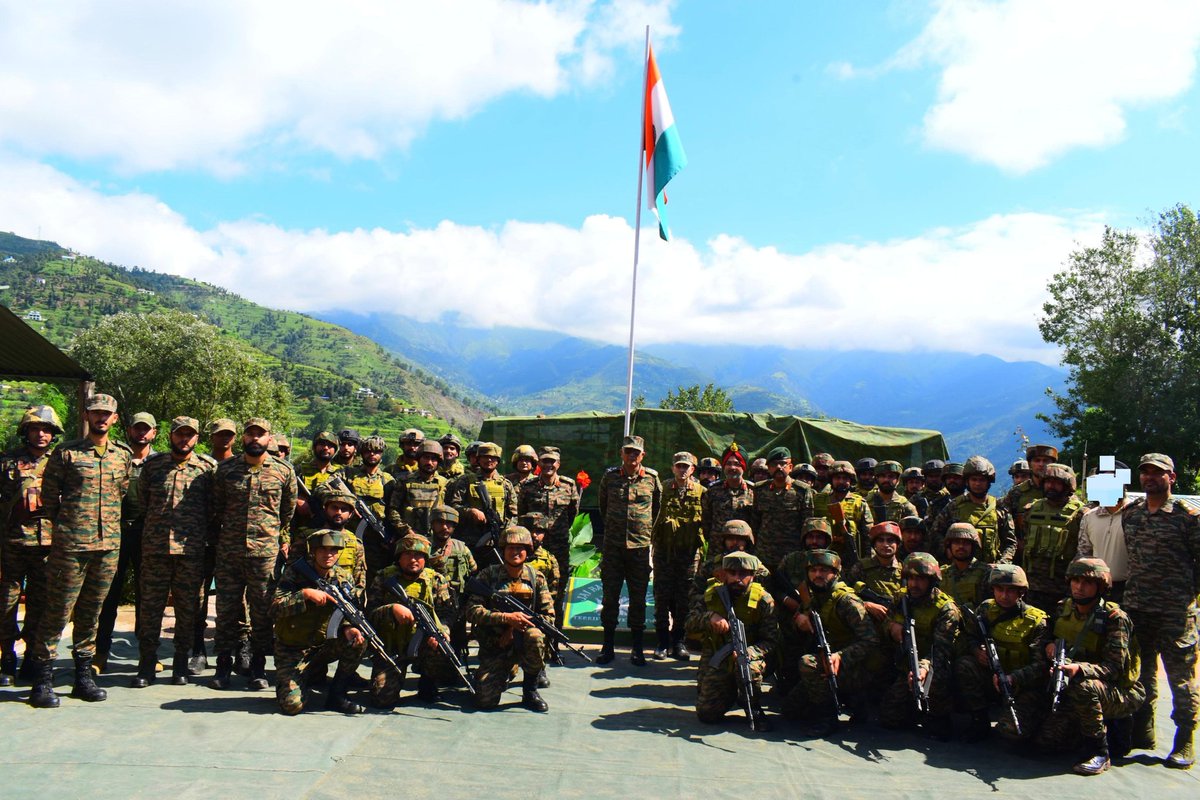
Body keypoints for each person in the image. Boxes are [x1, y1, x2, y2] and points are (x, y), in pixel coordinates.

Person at [28, 393, 132, 708]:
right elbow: (49, 499)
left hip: (107, 547)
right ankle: (42, 680)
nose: (101, 418)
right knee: (57, 611)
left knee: (91, 613)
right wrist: (61, 534)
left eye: (107, 414)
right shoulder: (66, 454)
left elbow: (122, 491)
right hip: (71, 548)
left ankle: (83, 678)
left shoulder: (121, 455)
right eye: (96, 413)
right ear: (86, 416)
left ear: (114, 419)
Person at [1034, 558, 1145, 776]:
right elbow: (1043, 639)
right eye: (1075, 580)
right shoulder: (1062, 608)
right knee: (1046, 743)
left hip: (1120, 691)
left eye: (1087, 582)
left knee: (1084, 688)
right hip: (1072, 687)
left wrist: (1078, 669)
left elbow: (1114, 668)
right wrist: (1048, 646)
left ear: (1101, 587)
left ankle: (1100, 751)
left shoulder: (1115, 619)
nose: (1079, 587)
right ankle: (1086, 731)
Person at [210, 417, 297, 692]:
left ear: (269, 439)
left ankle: (258, 668)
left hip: (264, 555)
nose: (255, 439)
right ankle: (223, 665)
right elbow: (217, 508)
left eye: (261, 435)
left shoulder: (283, 472)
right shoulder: (225, 471)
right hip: (230, 553)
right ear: (243, 438)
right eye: (250, 434)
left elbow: (287, 513)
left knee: (261, 614)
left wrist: (277, 539)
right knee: (226, 611)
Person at [1123, 453, 1199, 769]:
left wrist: (1184, 594)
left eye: (1158, 473)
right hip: (1139, 608)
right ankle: (1144, 733)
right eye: (1146, 473)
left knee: (1181, 677)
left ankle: (1185, 740)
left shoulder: (1188, 517)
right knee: (1141, 674)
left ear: (1172, 477)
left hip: (1175, 612)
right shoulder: (1132, 514)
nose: (1150, 478)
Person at [132, 416, 216, 687]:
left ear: (197, 439)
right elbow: (143, 502)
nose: (184, 439)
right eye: (180, 434)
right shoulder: (154, 467)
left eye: (190, 435)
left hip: (191, 551)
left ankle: (180, 662)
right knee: (150, 609)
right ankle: (146, 664)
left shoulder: (207, 469)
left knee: (188, 609)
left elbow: (214, 506)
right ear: (170, 436)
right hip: (155, 550)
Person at [780, 550, 879, 736]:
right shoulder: (814, 597)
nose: (818, 575)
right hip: (827, 664)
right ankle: (848, 699)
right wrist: (800, 621)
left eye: (824, 570)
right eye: (814, 570)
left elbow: (870, 640)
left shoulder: (847, 601)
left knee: (808, 664)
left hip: (855, 668)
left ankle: (827, 717)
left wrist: (840, 657)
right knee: (790, 710)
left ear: (835, 573)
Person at [0, 405, 64, 686]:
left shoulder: (61, 461)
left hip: (48, 544)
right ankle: (6, 658)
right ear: (25, 431)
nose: (41, 434)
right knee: (6, 602)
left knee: (40, 604)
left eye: (46, 430)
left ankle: (31, 659)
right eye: (36, 429)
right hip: (12, 541)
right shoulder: (7, 461)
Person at [270, 530, 366, 715]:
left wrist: (348, 627)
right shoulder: (295, 572)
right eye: (323, 549)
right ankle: (296, 680)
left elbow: (348, 609)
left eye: (333, 550)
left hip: (322, 647)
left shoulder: (343, 577)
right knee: (292, 706)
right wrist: (304, 595)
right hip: (293, 650)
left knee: (359, 640)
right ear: (313, 551)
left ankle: (337, 695)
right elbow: (274, 608)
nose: (328, 554)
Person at [954, 564, 1048, 742]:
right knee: (964, 665)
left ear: (1021, 592)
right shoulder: (985, 609)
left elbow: (1041, 666)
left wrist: (1014, 678)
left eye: (1011, 590)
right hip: (991, 676)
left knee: (1012, 733)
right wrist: (976, 651)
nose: (1004, 596)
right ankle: (979, 719)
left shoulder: (1036, 621)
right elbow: (970, 636)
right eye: (999, 589)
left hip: (1022, 685)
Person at [465, 526, 554, 711]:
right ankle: (502, 671)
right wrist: (505, 618)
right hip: (495, 646)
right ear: (503, 550)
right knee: (485, 701)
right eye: (510, 548)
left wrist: (515, 628)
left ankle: (530, 691)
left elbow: (548, 617)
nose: (515, 552)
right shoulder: (488, 575)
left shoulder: (536, 578)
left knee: (536, 636)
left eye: (520, 548)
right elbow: (472, 611)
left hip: (524, 643)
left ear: (527, 551)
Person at [685, 551, 778, 730]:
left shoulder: (764, 600)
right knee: (707, 714)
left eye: (743, 574)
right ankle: (728, 694)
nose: (737, 579)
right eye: (732, 573)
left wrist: (749, 653)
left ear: (753, 575)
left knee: (748, 668)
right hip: (718, 655)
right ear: (724, 574)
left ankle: (753, 705)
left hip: (751, 659)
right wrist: (709, 617)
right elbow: (689, 624)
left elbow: (771, 641)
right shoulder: (712, 595)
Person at [95, 410, 157, 674]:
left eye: (147, 429)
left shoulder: (160, 463)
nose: (141, 433)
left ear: (154, 433)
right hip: (115, 534)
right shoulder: (117, 458)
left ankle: (147, 655)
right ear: (129, 431)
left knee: (148, 598)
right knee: (107, 596)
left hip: (147, 536)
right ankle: (100, 653)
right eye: (137, 428)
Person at [367, 533, 456, 706]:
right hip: (391, 646)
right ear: (399, 558)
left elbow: (447, 612)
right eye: (407, 555)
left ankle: (428, 683)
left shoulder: (436, 580)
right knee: (382, 699)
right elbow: (369, 612)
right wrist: (391, 609)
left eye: (418, 555)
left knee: (443, 647)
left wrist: (444, 629)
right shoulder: (384, 577)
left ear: (425, 559)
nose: (413, 560)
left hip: (424, 643)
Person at [878, 553, 960, 738]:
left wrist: (923, 668)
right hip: (906, 664)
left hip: (935, 667)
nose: (914, 584)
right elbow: (887, 621)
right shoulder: (901, 598)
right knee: (889, 718)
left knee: (938, 729)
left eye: (921, 579)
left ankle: (940, 714)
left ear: (932, 581)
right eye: (911, 578)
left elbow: (941, 651)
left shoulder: (947, 610)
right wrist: (892, 627)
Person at [596, 435, 660, 665]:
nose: (632, 455)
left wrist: (643, 532)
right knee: (610, 597)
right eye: (628, 451)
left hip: (640, 549)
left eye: (636, 452)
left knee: (638, 598)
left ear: (643, 455)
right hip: (613, 547)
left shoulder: (652, 479)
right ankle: (607, 646)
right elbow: (603, 506)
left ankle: (637, 649)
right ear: (621, 454)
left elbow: (657, 509)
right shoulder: (610, 477)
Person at [191, 417, 238, 675]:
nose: (225, 438)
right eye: (220, 434)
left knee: (235, 601)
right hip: (203, 540)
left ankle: (235, 651)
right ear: (211, 436)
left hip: (234, 542)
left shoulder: (240, 466)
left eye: (230, 434)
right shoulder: (200, 466)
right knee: (199, 599)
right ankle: (198, 650)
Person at [517, 445, 579, 630]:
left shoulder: (568, 486)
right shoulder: (528, 488)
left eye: (552, 462)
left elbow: (572, 514)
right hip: (533, 550)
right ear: (539, 463)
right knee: (529, 592)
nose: (548, 465)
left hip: (559, 548)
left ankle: (554, 641)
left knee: (557, 594)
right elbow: (521, 515)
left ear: (558, 464)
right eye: (545, 461)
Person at [652, 452, 705, 660]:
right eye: (679, 466)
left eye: (686, 467)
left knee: (685, 600)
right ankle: (662, 642)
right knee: (662, 597)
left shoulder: (702, 492)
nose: (682, 470)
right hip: (664, 553)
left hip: (689, 554)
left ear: (692, 469)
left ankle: (679, 642)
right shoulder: (663, 488)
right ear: (673, 468)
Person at [1020, 463, 1086, 612]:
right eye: (1048, 482)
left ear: (1068, 486)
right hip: (1032, 586)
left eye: (1056, 483)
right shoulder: (1031, 510)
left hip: (1064, 588)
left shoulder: (1080, 514)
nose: (1051, 486)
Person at [928, 455, 1016, 564]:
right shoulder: (954, 506)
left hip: (990, 571)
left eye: (982, 480)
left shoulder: (998, 508)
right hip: (961, 570)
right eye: (974, 480)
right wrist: (948, 551)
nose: (977, 484)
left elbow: (1010, 542)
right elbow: (935, 533)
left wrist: (1003, 564)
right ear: (967, 482)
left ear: (988, 482)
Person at [447, 442, 517, 562]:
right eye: (485, 457)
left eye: (492, 458)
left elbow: (513, 514)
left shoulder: (505, 484)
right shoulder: (466, 481)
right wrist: (470, 511)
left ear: (497, 460)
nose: (488, 460)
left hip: (498, 540)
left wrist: (506, 532)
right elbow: (454, 506)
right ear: (478, 459)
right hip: (471, 540)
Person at [424, 505, 476, 659]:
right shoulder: (423, 545)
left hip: (456, 604)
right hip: (430, 603)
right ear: (432, 524)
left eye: (449, 524)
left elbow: (473, 570)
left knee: (457, 642)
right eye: (439, 523)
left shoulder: (461, 548)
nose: (444, 527)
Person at [751, 446, 814, 574]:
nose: (779, 467)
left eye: (783, 464)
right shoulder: (759, 489)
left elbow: (807, 524)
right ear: (768, 468)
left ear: (790, 467)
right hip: (764, 555)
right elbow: (754, 522)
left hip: (791, 555)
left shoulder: (802, 490)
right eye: (774, 464)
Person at [1076, 459, 1130, 604]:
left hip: (1130, 590)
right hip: (1097, 589)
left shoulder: (1136, 514)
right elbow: (1083, 554)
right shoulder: (1089, 517)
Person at [345, 435, 395, 582]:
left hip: (377, 541)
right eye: (368, 451)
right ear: (361, 453)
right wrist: (348, 502)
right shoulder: (348, 474)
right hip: (351, 534)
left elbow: (394, 508)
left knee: (374, 577)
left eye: (377, 451)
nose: (372, 454)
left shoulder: (388, 480)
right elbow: (325, 488)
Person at [385, 439, 449, 543]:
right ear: (418, 459)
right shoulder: (404, 481)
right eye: (426, 458)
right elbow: (392, 510)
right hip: (409, 538)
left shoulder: (444, 483)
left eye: (433, 459)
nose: (429, 462)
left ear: (438, 462)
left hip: (436, 538)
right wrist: (406, 530)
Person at [814, 460, 873, 562]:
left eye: (845, 478)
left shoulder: (860, 503)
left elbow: (868, 535)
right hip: (822, 556)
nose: (841, 481)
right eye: (837, 478)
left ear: (851, 481)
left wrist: (867, 560)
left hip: (850, 556)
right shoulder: (818, 500)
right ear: (831, 480)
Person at [700, 443, 754, 549]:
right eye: (728, 463)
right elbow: (706, 520)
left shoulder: (754, 491)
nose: (732, 467)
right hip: (717, 548)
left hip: (745, 549)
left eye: (737, 464)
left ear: (743, 467)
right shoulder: (713, 490)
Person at [938, 523, 991, 611]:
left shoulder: (986, 573)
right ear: (949, 546)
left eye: (966, 543)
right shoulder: (942, 574)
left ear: (973, 546)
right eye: (956, 542)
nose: (961, 546)